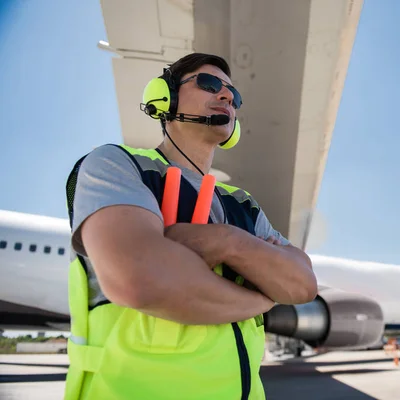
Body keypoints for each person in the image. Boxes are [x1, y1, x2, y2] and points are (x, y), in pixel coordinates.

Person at [63, 52, 318, 400]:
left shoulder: (241, 203)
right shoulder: (118, 165)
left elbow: (302, 285)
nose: (228, 96)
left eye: (234, 94)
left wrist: (228, 242)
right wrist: (263, 298)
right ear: (163, 97)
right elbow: (140, 279)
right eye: (209, 83)